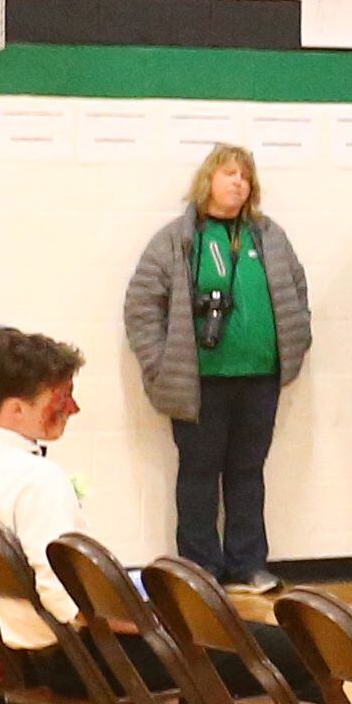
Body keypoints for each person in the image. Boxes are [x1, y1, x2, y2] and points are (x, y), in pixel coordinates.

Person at [125, 142, 315, 595]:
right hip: (200, 382)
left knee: (249, 471)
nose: (239, 183)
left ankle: (248, 564)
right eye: (229, 174)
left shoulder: (268, 236)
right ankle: (200, 569)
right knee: (198, 472)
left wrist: (295, 342)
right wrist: (158, 363)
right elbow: (141, 307)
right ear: (207, 179)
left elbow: (297, 291)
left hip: (259, 378)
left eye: (245, 176)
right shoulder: (177, 239)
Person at [0, 328, 93, 634]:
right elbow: (65, 600)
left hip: (24, 651)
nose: (73, 410)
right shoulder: (38, 479)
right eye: (61, 399)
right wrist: (151, 622)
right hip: (74, 654)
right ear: (17, 410)